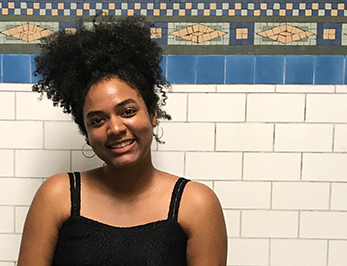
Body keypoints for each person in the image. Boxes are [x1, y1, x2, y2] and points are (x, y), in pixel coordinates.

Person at [17, 17, 227, 266]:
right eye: (97, 120)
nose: (115, 128)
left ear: (152, 113)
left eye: (127, 111)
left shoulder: (196, 204)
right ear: (86, 131)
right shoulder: (57, 196)